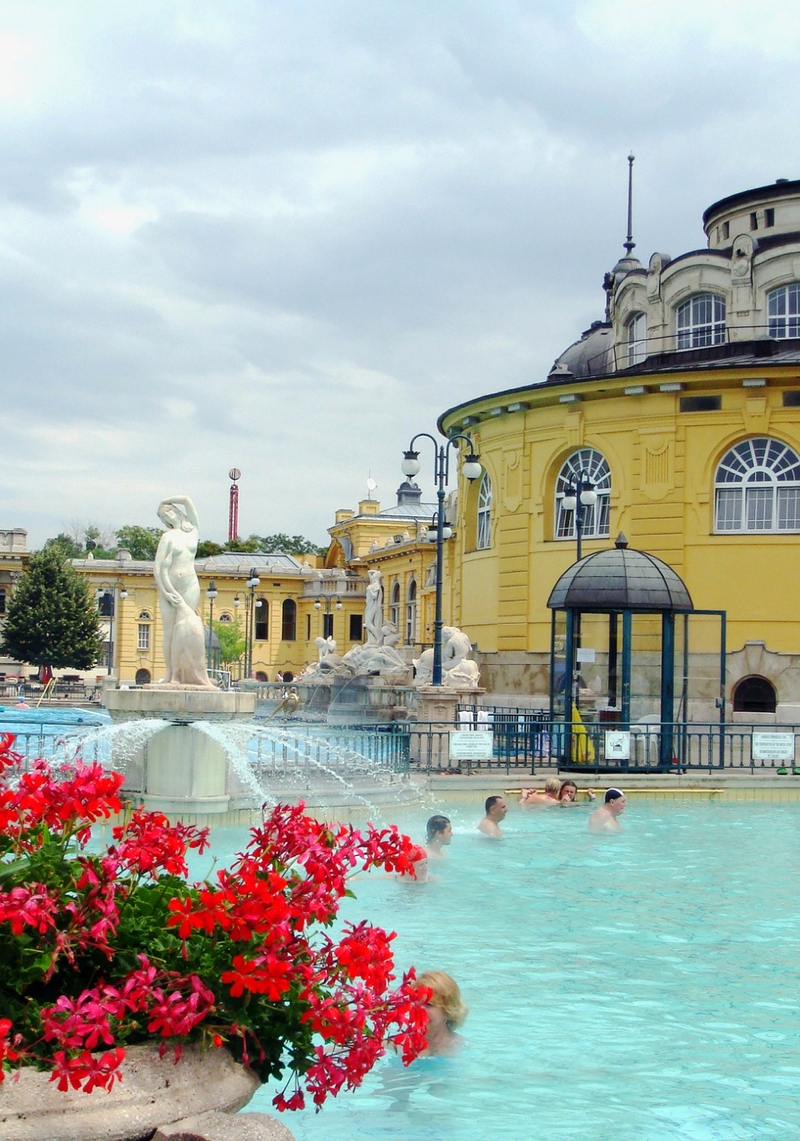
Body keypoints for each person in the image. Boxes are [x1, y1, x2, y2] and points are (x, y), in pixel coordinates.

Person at [153, 495, 215, 689]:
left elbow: (188, 500)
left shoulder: (192, 530)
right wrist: (165, 590)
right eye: (164, 515)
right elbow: (157, 568)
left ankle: (190, 671)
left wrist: (164, 500)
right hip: (170, 587)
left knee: (186, 626)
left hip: (189, 584)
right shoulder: (167, 537)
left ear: (177, 511)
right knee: (170, 632)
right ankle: (171, 674)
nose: (168, 515)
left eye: (170, 510)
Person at [417, 971, 468, 1056]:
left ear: (447, 1011)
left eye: (429, 1005)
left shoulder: (461, 1048)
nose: (420, 1010)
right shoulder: (398, 1045)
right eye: (417, 1003)